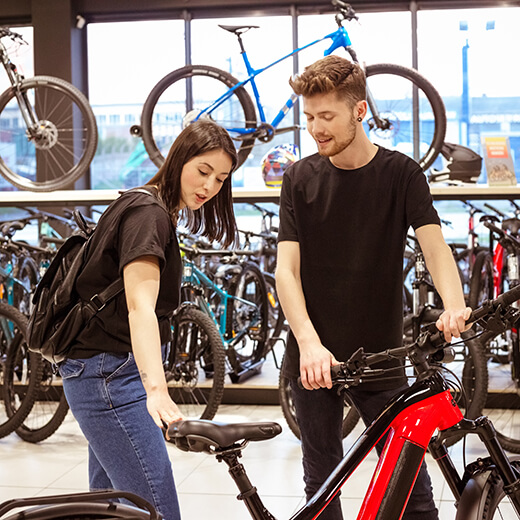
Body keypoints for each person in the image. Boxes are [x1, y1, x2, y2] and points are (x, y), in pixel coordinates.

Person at [275, 55, 472, 520]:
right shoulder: (298, 179)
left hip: (380, 354)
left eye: (327, 116)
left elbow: (434, 246)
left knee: (413, 490)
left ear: (359, 111)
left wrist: (455, 305)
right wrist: (308, 344)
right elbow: (286, 271)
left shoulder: (401, 174)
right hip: (313, 354)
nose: (316, 128)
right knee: (320, 484)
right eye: (308, 117)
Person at [58, 120, 238, 520]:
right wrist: (156, 390)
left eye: (221, 178)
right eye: (203, 170)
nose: (209, 187)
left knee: (112, 507)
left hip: (103, 372)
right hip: (111, 379)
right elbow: (140, 306)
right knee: (155, 510)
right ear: (179, 160)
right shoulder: (148, 214)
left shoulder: (144, 203)